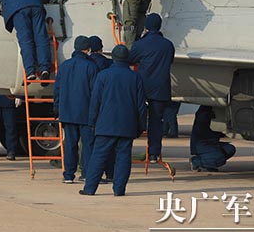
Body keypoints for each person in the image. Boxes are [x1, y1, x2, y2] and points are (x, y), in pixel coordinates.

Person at [81, 45, 146, 197]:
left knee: (98, 157)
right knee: (123, 158)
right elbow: (141, 105)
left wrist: (92, 122)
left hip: (105, 124)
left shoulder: (103, 75)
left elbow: (95, 102)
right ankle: (119, 190)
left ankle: (90, 188)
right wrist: (141, 126)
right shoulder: (135, 77)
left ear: (113, 58)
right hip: (127, 125)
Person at [129, 13, 175, 164]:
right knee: (156, 121)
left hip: (142, 86)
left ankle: (126, 149)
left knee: (134, 116)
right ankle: (154, 153)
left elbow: (130, 59)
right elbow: (170, 61)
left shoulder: (140, 44)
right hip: (161, 88)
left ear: (146, 27)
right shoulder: (168, 45)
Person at [54, 36, 98, 182]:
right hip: (86, 113)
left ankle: (68, 175)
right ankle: (86, 173)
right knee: (87, 145)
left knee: (70, 145)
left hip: (67, 112)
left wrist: (57, 107)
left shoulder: (64, 66)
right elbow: (95, 92)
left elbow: (57, 89)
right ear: (87, 49)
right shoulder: (91, 67)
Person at [190, 106, 236, 172]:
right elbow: (206, 130)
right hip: (202, 144)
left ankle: (209, 162)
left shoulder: (210, 111)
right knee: (219, 158)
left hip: (211, 142)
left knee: (230, 149)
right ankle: (196, 162)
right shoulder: (203, 115)